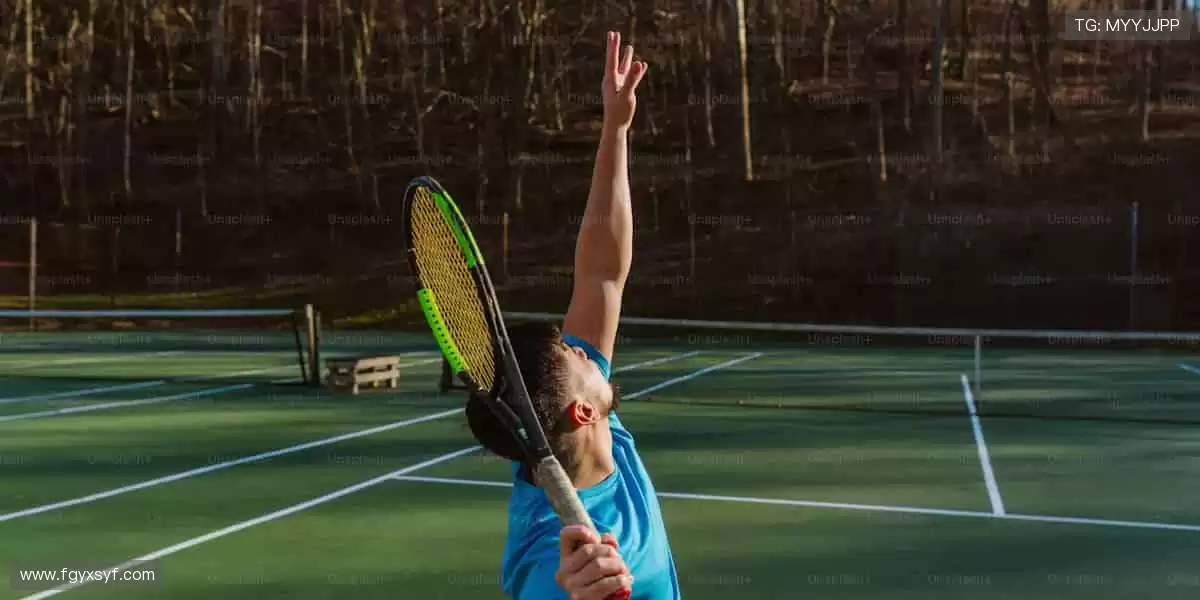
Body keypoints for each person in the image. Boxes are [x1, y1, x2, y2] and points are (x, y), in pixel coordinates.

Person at [463, 31, 680, 600]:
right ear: (582, 411)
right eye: (575, 354)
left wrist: (615, 128)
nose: (585, 348)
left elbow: (602, 272)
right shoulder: (549, 566)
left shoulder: (590, 430)